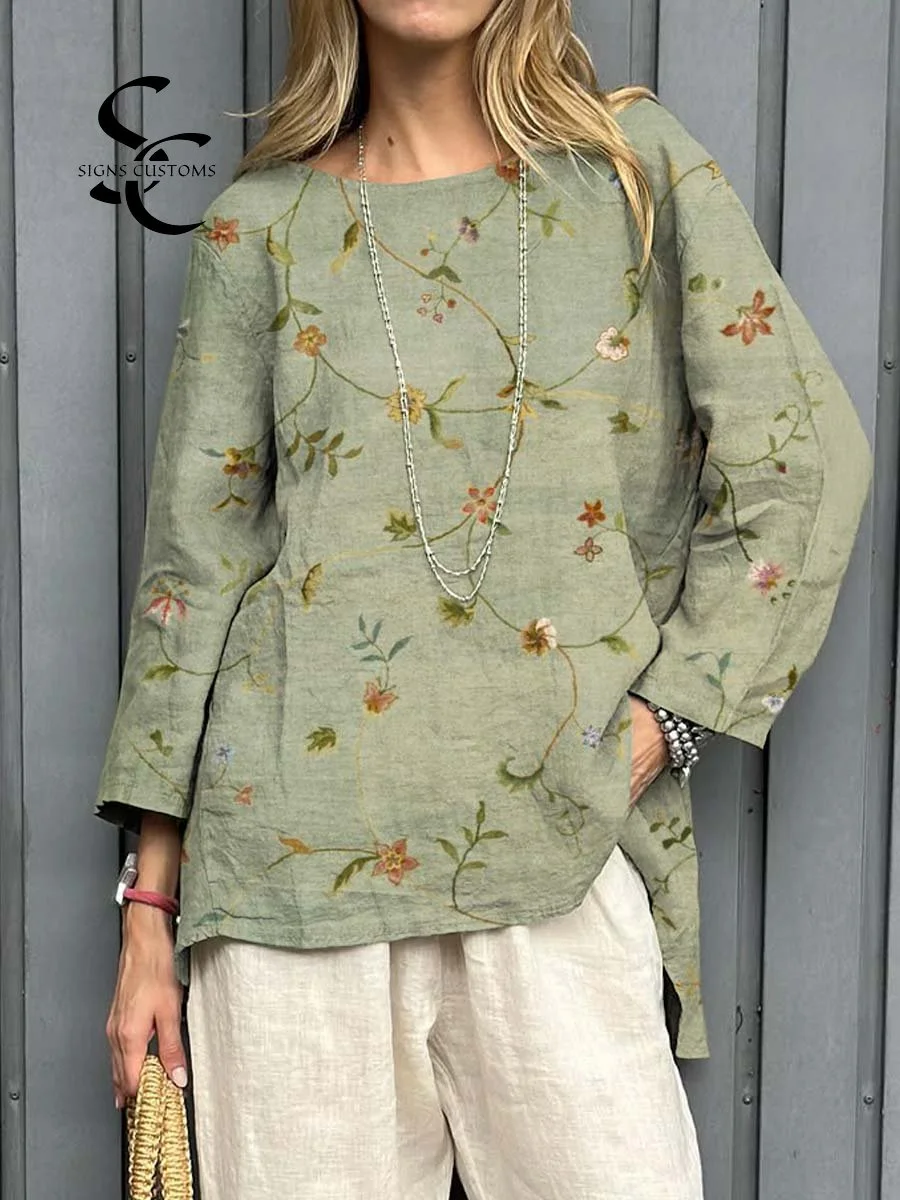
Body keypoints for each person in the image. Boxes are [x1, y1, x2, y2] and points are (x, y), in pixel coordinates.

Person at [96, 1, 873, 1196]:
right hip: (285, 888)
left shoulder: (632, 177)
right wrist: (149, 907)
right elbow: (193, 570)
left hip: (557, 858)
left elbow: (800, 463)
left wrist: (659, 726)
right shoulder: (262, 226)